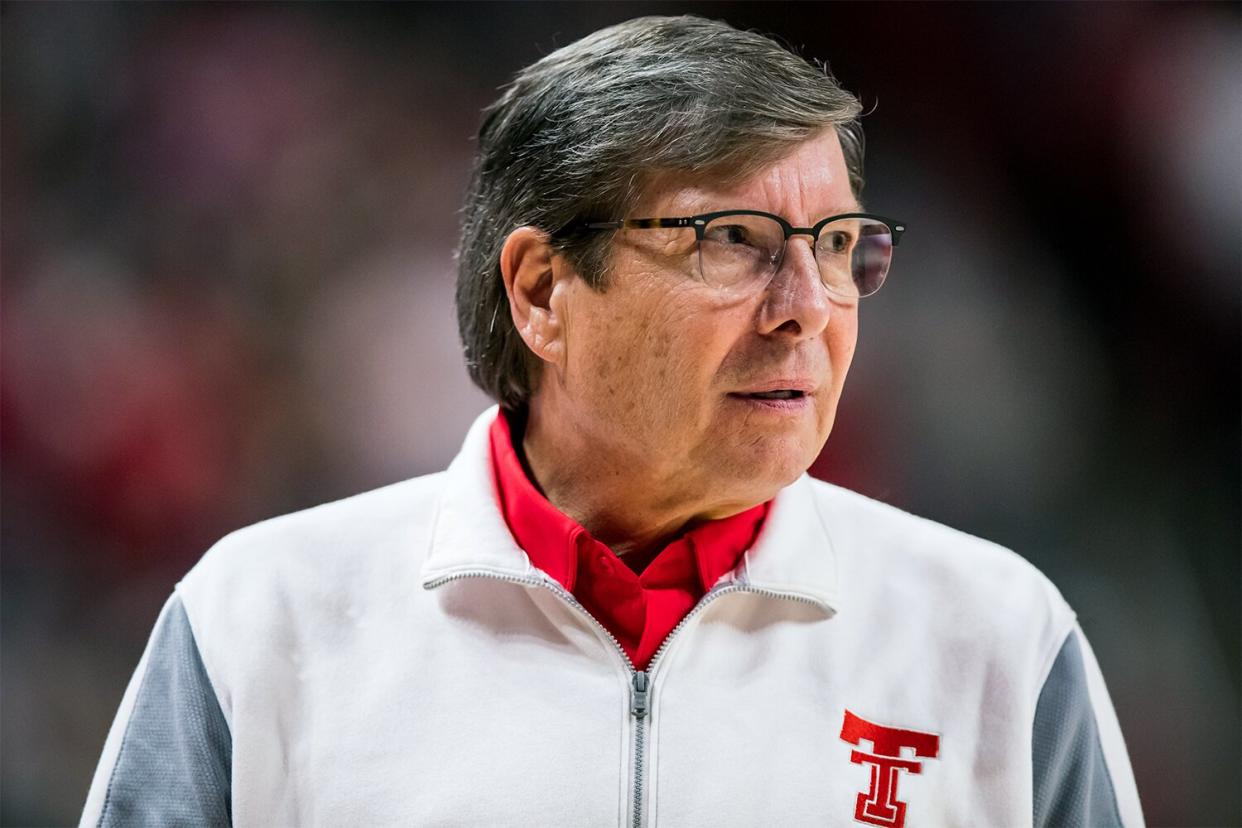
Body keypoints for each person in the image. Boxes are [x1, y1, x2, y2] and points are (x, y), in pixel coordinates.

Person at [82, 15, 1144, 828]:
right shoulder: (263, 621)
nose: (807, 309)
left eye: (836, 246)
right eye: (733, 241)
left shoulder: (995, 636)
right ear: (543, 291)